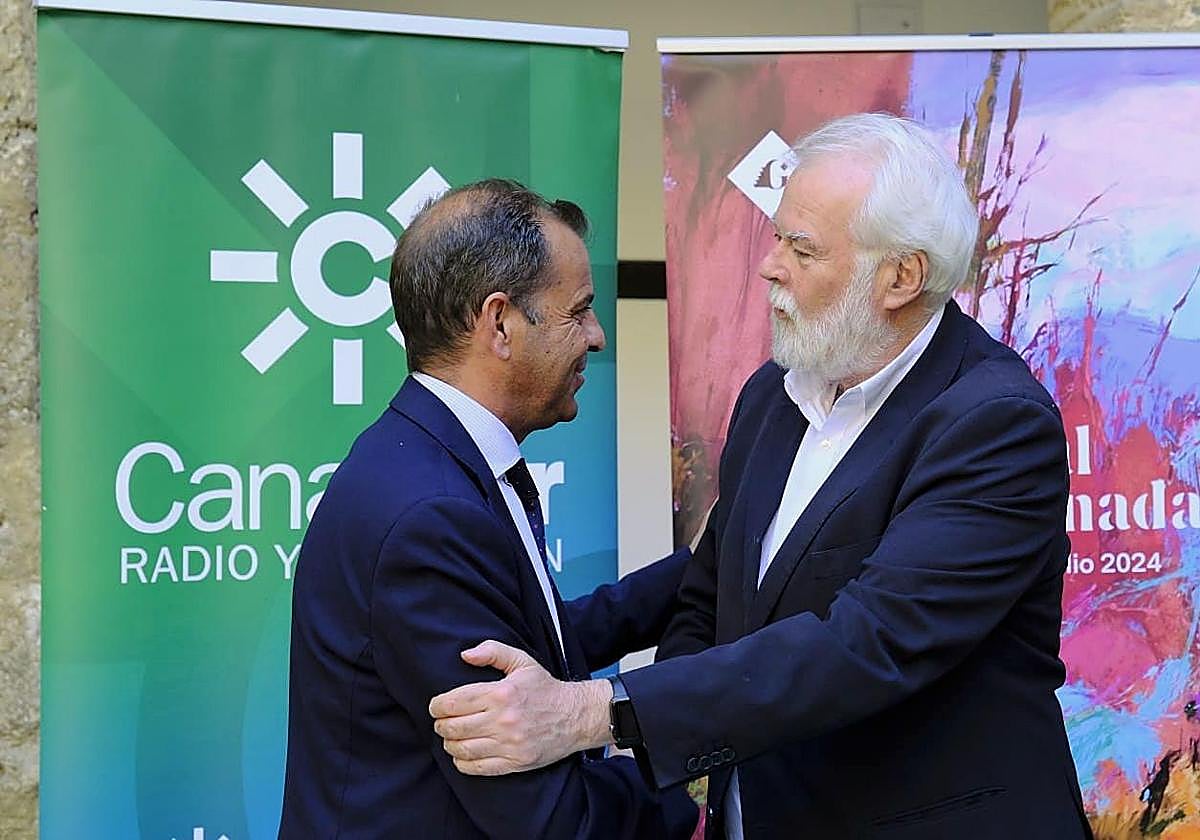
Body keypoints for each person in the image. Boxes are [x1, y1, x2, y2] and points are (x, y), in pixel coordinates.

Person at [429, 115, 1094, 839]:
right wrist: (660, 777)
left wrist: (597, 712)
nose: (769, 265)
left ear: (902, 277)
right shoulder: (773, 397)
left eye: (801, 249)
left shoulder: (993, 422)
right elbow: (710, 598)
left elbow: (868, 644)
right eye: (777, 237)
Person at [279, 179, 698, 839]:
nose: (596, 336)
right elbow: (550, 818)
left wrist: (708, 568)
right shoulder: (429, 514)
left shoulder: (424, 456)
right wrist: (690, 786)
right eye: (580, 310)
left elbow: (539, 644)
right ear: (499, 324)